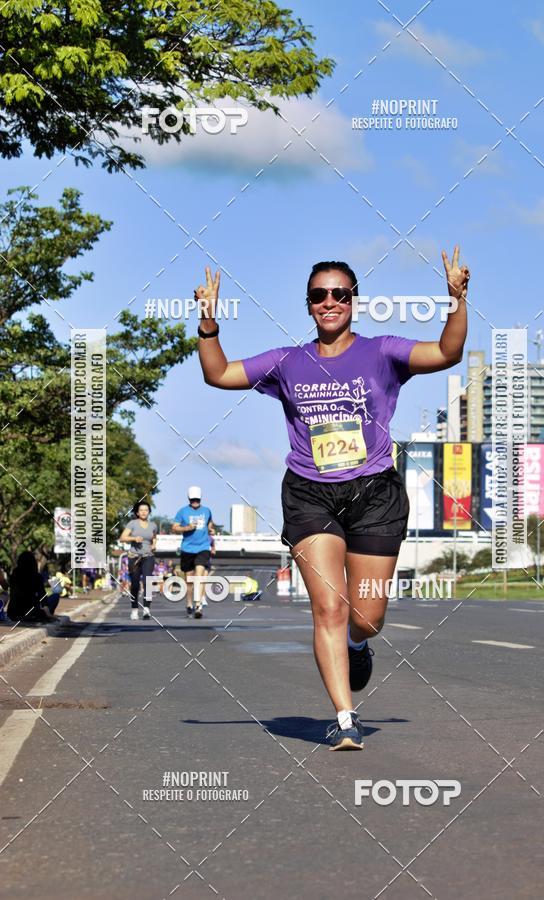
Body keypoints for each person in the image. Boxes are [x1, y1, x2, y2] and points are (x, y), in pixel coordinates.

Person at [195, 250, 468, 749]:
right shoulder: (286, 362)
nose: (329, 302)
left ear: (353, 302)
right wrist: (208, 325)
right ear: (308, 305)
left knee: (366, 616)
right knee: (328, 607)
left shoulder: (383, 352)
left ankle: (358, 643)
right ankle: (345, 718)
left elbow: (447, 353)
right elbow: (218, 374)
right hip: (309, 493)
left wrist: (457, 301)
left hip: (374, 493)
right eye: (319, 295)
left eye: (339, 294)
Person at [172, 486, 215, 618]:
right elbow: (174, 527)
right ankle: (189, 603)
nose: (195, 502)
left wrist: (210, 530)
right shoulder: (182, 511)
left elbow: (210, 524)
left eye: (197, 500)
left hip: (203, 547)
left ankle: (198, 605)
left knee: (200, 576)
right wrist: (187, 528)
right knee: (189, 580)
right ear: (189, 499)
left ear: (200, 498)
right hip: (187, 548)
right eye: (192, 500)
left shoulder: (207, 511)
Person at [119, 501, 157, 620]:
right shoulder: (132, 523)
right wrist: (134, 538)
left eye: (146, 510)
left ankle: (146, 609)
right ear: (137, 512)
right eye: (141, 510)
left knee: (148, 581)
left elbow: (154, 537)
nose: (144, 512)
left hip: (148, 556)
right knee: (135, 584)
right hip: (134, 557)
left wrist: (154, 545)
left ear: (149, 512)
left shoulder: (153, 525)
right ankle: (134, 609)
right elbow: (122, 538)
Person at [7, 551, 58, 623]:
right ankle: (47, 615)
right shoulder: (36, 577)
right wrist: (47, 612)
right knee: (55, 596)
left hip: (13, 612)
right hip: (32, 612)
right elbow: (42, 596)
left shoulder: (14, 575)